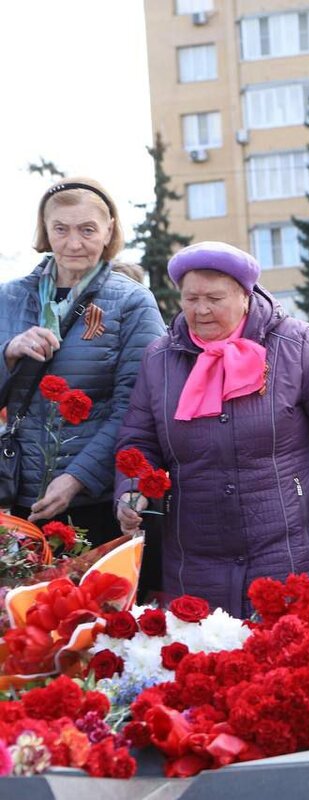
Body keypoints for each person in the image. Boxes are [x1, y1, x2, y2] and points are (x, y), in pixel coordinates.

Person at [114, 241, 309, 616]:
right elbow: (139, 440)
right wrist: (131, 490)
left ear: (245, 296)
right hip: (195, 550)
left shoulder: (299, 344)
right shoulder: (159, 358)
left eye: (214, 298)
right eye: (190, 298)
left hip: (289, 543)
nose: (201, 309)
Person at [0, 178, 165, 540]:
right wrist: (8, 354)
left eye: (87, 230)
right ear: (45, 230)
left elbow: (136, 409)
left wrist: (77, 478)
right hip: (19, 497)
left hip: (96, 500)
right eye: (61, 229)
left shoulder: (133, 303)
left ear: (109, 231)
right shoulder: (8, 298)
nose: (73, 243)